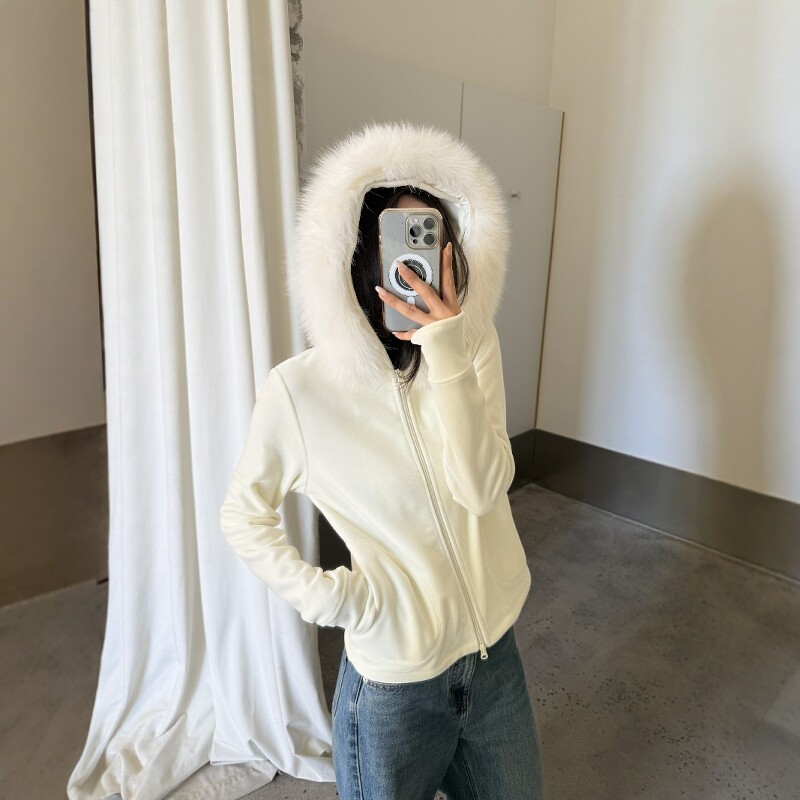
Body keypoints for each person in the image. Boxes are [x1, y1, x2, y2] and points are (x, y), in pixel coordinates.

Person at [219, 121, 545, 799]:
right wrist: (334, 598)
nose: (418, 266)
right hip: (394, 687)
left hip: (494, 661)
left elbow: (483, 488)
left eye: (432, 241)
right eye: (399, 245)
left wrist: (446, 349)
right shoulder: (301, 391)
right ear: (358, 259)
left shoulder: (472, 347)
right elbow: (243, 516)